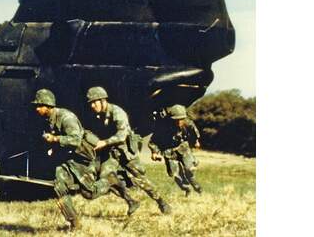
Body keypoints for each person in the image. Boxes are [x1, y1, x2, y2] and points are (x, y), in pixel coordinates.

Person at [31, 88, 140, 229]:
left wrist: (55, 139)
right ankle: (74, 223)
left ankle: (110, 180)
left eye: (39, 105)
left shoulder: (66, 117)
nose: (37, 109)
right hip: (66, 159)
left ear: (48, 105)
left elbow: (75, 140)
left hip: (80, 159)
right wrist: (52, 147)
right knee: (59, 186)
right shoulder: (47, 119)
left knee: (89, 193)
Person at [85, 86, 173, 214]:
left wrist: (105, 142)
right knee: (106, 177)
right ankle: (131, 201)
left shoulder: (117, 112)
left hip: (126, 151)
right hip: (112, 153)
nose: (92, 106)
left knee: (140, 179)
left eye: (94, 102)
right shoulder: (98, 116)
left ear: (103, 100)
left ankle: (161, 202)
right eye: (91, 103)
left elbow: (122, 135)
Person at [148, 104, 202, 196]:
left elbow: (194, 131)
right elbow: (154, 141)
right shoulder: (163, 127)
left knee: (189, 169)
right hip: (169, 151)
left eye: (181, 119)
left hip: (183, 148)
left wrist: (196, 141)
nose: (179, 122)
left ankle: (197, 188)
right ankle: (186, 188)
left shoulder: (188, 123)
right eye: (176, 120)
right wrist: (154, 152)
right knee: (175, 175)